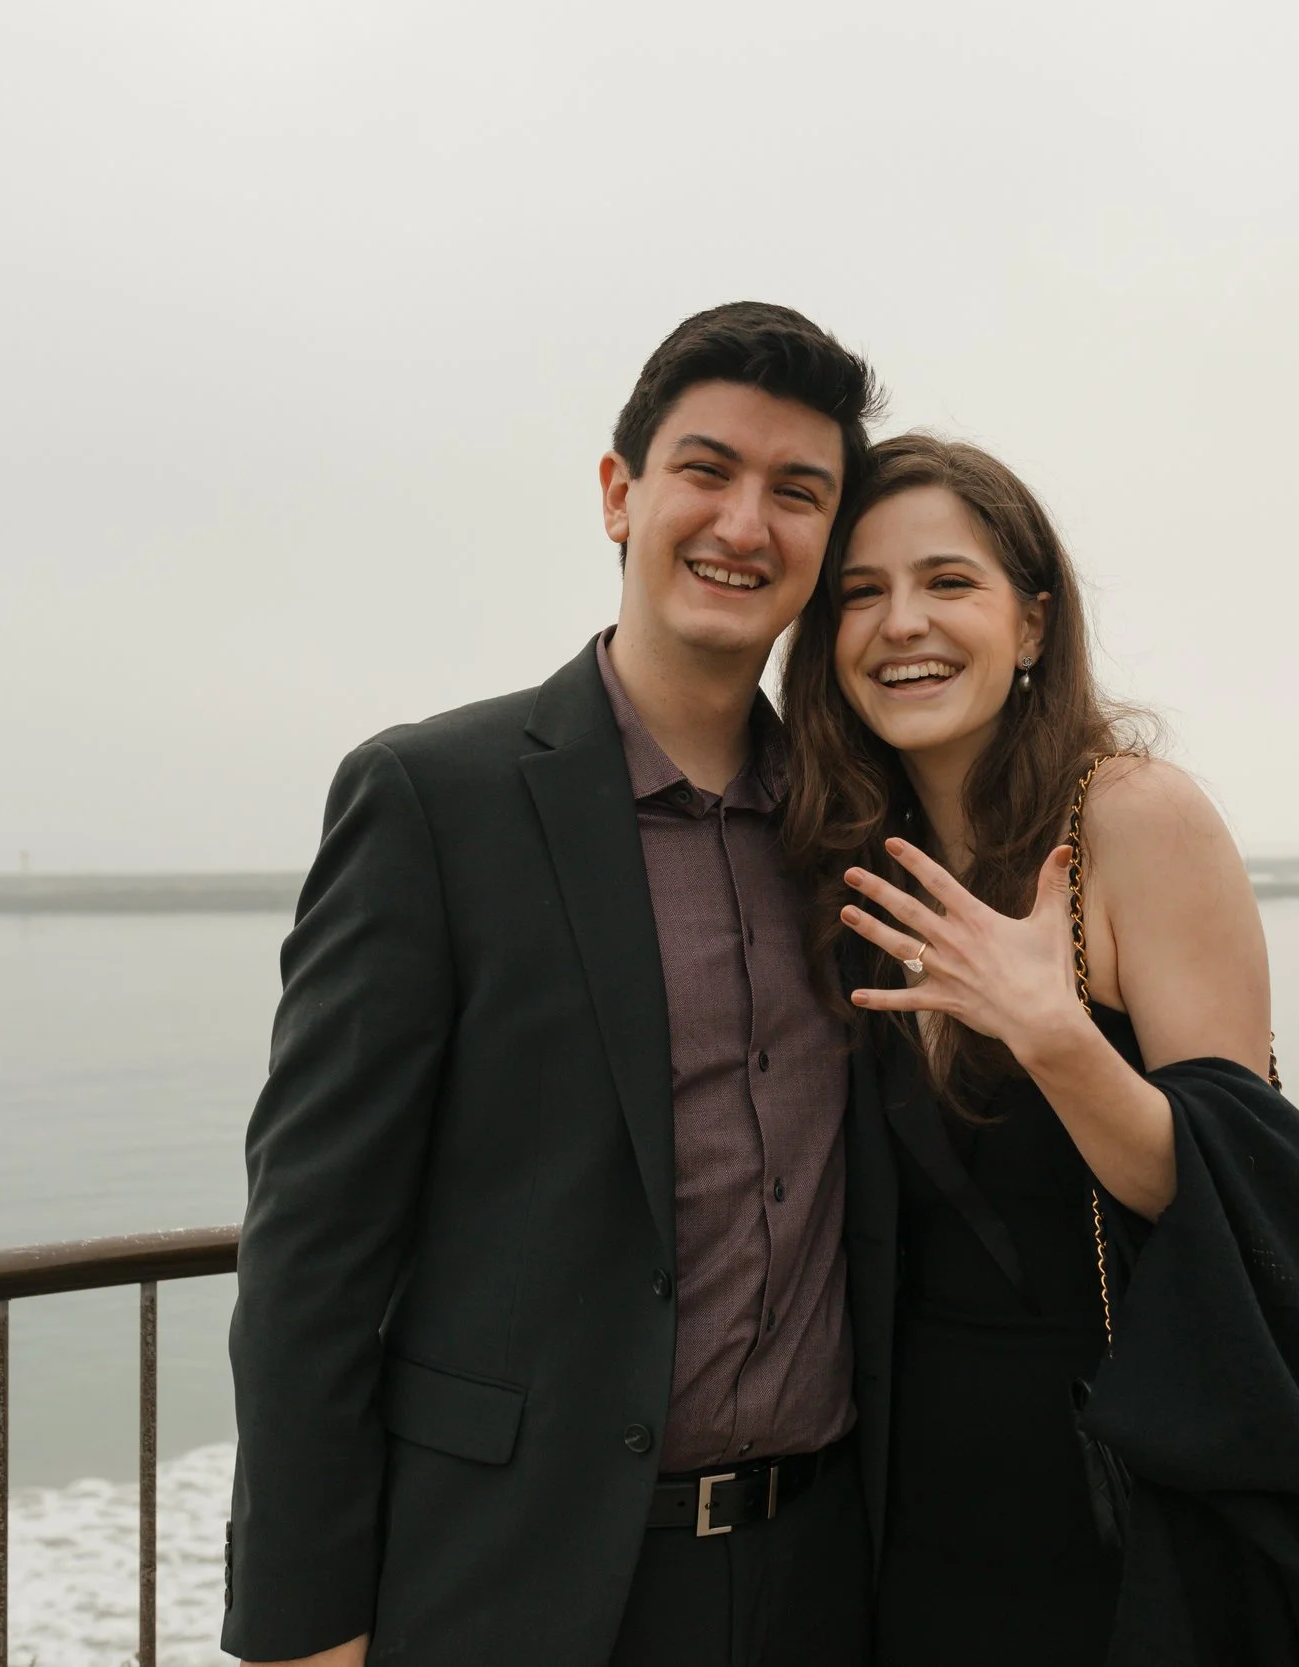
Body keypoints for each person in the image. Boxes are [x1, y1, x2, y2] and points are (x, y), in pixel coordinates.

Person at [223, 303, 900, 1667]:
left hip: (825, 1575)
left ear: (826, 543)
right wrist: (303, 1625)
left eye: (797, 492)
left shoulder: (862, 827)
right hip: (521, 1582)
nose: (743, 523)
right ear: (619, 493)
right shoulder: (432, 797)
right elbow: (314, 1243)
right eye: (706, 469)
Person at [780, 435, 1299, 1666]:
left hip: (1122, 1491)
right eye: (858, 592)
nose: (900, 622)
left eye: (948, 582)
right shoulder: (849, 862)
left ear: (1031, 624)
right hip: (907, 1509)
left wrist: (1051, 1034)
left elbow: (1227, 1186)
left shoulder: (1131, 818)